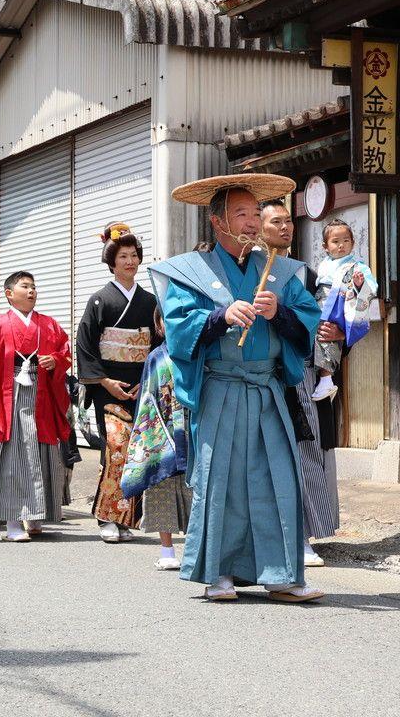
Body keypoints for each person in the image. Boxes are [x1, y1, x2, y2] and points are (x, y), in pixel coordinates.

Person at [150, 174, 322, 603]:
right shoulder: (190, 272)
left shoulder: (281, 272)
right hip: (221, 387)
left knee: (277, 478)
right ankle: (219, 571)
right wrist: (219, 317)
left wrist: (280, 313)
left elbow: (307, 322)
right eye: (240, 213)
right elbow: (177, 328)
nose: (250, 222)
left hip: (266, 388)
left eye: (255, 213)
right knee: (221, 478)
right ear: (217, 221)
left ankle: (281, 573)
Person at [0, 271, 72, 542]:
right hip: (11, 395)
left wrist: (56, 360)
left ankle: (35, 516)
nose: (31, 291)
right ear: (9, 294)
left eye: (33, 287)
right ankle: (12, 522)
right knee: (13, 455)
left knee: (42, 452)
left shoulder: (49, 324)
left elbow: (65, 352)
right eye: (25, 286)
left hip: (42, 393)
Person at [260, 200, 342, 568]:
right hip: (262, 372)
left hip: (303, 371)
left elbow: (324, 323)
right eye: (275, 221)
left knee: (306, 451)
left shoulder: (305, 274)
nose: (285, 227)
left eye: (288, 221)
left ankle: (304, 535)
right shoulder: (250, 271)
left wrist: (336, 336)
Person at [76, 221, 157, 543]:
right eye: (123, 256)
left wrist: (147, 381)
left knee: (137, 452)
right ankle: (106, 517)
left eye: (134, 255)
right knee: (115, 448)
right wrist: (104, 380)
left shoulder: (149, 302)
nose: (130, 261)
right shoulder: (99, 300)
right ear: (111, 262)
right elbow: (85, 344)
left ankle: (126, 518)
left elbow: (157, 346)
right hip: (108, 389)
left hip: (140, 388)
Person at [120, 307, 193, 570]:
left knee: (197, 492)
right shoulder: (155, 357)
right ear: (159, 326)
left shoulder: (197, 352)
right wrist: (151, 434)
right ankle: (167, 549)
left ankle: (195, 550)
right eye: (166, 319)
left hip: (194, 431)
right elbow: (147, 399)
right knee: (162, 489)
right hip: (163, 430)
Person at [309, 219, 377, 402]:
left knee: (327, 336)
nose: (341, 245)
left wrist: (359, 284)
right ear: (325, 246)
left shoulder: (358, 266)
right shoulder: (324, 264)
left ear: (353, 243)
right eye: (335, 241)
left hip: (340, 303)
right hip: (322, 301)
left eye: (346, 241)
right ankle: (324, 379)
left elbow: (371, 288)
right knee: (319, 337)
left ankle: (326, 378)